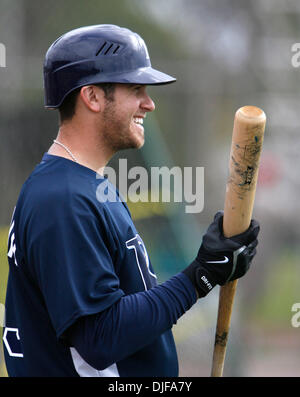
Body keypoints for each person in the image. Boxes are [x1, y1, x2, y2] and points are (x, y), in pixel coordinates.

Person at [3, 24, 260, 377]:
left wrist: (211, 266)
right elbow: (101, 337)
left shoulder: (77, 185)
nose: (149, 103)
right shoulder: (63, 200)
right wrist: (199, 277)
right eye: (135, 89)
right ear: (92, 97)